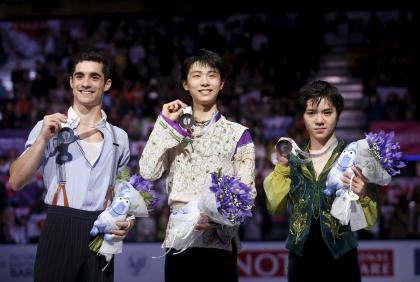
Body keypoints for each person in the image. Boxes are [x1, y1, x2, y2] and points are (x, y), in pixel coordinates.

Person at [9, 51, 132, 282]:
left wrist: (128, 221)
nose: (86, 83)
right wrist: (43, 139)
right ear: (71, 81)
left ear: (106, 84)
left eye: (94, 77)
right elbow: (15, 181)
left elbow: (124, 192)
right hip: (59, 225)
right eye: (80, 76)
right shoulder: (48, 127)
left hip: (101, 233)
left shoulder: (120, 137)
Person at [139, 49, 256, 282]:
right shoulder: (172, 130)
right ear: (185, 84)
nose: (204, 82)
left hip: (220, 242)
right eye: (196, 76)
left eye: (212, 75)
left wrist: (218, 217)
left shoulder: (238, 133)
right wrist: (163, 124)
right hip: (180, 239)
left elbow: (248, 191)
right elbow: (148, 171)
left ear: (221, 84)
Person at [263, 80, 378, 282]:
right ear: (302, 117)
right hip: (301, 264)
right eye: (311, 113)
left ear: (338, 115)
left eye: (327, 112)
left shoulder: (354, 157)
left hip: (343, 262)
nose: (319, 120)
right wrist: (281, 167)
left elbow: (369, 223)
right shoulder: (293, 161)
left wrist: (363, 195)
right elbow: (275, 208)